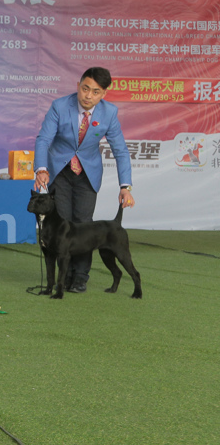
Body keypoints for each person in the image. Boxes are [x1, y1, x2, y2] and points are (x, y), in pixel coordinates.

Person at [34, 67, 134, 293]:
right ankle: (64, 277)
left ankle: (80, 277)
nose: (88, 96)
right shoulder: (60, 106)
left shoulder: (109, 113)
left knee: (83, 225)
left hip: (88, 174)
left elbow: (120, 150)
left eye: (95, 92)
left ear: (104, 94)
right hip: (59, 172)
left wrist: (125, 186)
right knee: (62, 224)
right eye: (85, 88)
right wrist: (41, 169)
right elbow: (43, 140)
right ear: (78, 85)